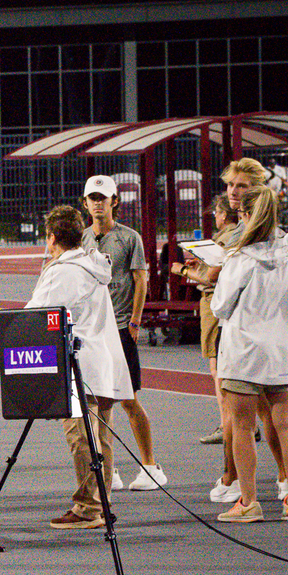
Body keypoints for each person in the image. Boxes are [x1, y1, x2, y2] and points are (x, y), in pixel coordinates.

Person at [0, 205, 133, 529]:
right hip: (101, 360)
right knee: (100, 436)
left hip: (80, 365)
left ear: (50, 238)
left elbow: (37, 317)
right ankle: (99, 502)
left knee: (81, 437)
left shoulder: (64, 271)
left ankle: (89, 507)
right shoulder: (92, 265)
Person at [211, 185, 288, 523]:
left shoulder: (240, 258)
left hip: (246, 354)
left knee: (241, 426)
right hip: (287, 350)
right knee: (287, 423)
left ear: (244, 215)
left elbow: (221, 305)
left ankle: (249, 501)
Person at [79, 175, 168, 491]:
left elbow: (140, 280)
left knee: (128, 401)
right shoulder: (83, 239)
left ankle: (150, 466)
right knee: (98, 400)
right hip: (94, 331)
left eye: (103, 198)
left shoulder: (129, 238)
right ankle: (108, 468)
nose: (98, 203)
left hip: (120, 328)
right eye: (93, 198)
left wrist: (134, 321)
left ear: (114, 201)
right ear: (86, 202)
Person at [171, 196, 241, 446]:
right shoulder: (238, 234)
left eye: (216, 214)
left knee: (218, 369)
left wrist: (181, 270)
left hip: (214, 303)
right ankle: (243, 423)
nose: (215, 219)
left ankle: (227, 424)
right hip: (224, 303)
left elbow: (210, 277)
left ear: (223, 214)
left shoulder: (226, 237)